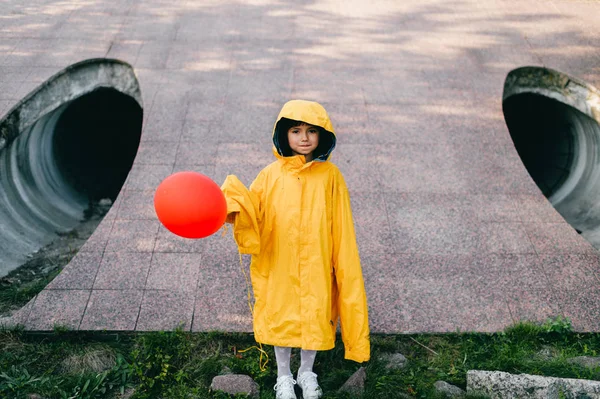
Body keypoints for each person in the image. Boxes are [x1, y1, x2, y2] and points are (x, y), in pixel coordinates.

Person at [221, 99, 370, 399]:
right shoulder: (269, 176)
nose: (304, 138)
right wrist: (233, 204)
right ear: (283, 135)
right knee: (282, 318)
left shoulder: (331, 178)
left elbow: (342, 225)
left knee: (315, 318)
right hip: (280, 263)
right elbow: (254, 211)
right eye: (296, 130)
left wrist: (337, 263)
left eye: (312, 131)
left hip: (316, 262)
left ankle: (306, 371)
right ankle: (284, 375)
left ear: (322, 135)